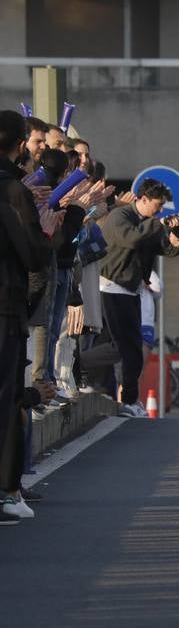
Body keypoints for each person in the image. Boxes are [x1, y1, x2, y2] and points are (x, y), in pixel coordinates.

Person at [0, 110, 66, 523]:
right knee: (6, 399)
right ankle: (8, 491)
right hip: (6, 304)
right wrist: (46, 228)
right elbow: (33, 255)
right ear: (19, 143)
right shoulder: (13, 192)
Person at [99, 178, 179, 417]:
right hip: (111, 288)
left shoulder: (148, 223)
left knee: (131, 349)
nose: (159, 211)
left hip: (132, 290)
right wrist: (158, 224)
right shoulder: (120, 216)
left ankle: (129, 399)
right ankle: (85, 369)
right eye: (157, 205)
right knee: (125, 348)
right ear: (143, 199)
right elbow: (131, 238)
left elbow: (163, 247)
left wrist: (177, 240)